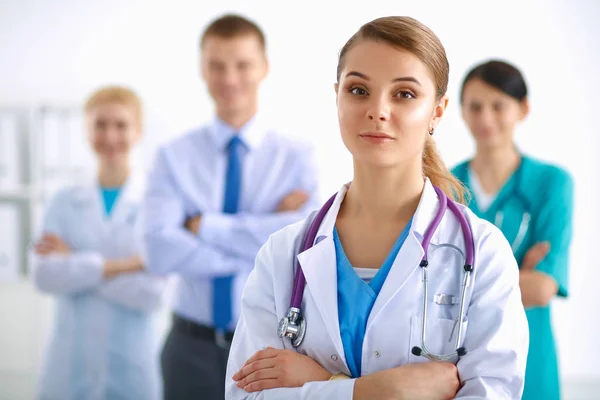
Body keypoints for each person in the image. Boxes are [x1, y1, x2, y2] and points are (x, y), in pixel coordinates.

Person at [225, 16, 530, 400]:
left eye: (404, 94)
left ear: (437, 111)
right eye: (358, 90)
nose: (377, 110)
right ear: (337, 96)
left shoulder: (483, 252)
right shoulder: (283, 254)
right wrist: (380, 390)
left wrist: (318, 383)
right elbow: (245, 395)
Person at [137, 14, 321, 400]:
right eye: (217, 65)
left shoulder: (297, 158)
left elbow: (307, 248)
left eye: (242, 64)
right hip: (190, 348)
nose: (230, 78)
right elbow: (158, 249)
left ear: (264, 67)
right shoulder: (174, 156)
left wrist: (203, 226)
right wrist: (262, 243)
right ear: (202, 69)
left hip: (270, 351)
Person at [31, 86, 166, 400]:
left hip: (132, 365)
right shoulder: (63, 201)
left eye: (121, 125)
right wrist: (130, 264)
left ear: (138, 131)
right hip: (68, 366)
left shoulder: (155, 202)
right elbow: (44, 276)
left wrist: (75, 264)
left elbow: (152, 294)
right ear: (86, 130)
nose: (110, 136)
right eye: (100, 125)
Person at [451, 60, 574, 400]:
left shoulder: (552, 183)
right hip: (457, 364)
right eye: (475, 107)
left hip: (530, 359)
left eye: (498, 106)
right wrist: (517, 274)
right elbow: (421, 290)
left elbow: (542, 288)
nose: (485, 118)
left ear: (523, 109)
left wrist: (461, 282)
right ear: (459, 112)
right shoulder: (442, 187)